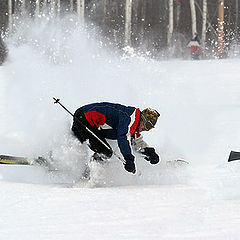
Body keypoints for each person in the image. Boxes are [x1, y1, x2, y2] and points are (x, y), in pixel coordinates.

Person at [72, 102, 160, 174]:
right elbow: (123, 138)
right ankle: (87, 176)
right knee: (105, 152)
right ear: (143, 119)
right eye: (147, 125)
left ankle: (66, 163)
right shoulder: (130, 118)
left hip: (84, 118)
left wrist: (150, 153)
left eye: (150, 128)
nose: (147, 129)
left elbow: (136, 142)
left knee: (78, 146)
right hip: (85, 119)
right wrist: (129, 159)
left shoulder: (133, 125)